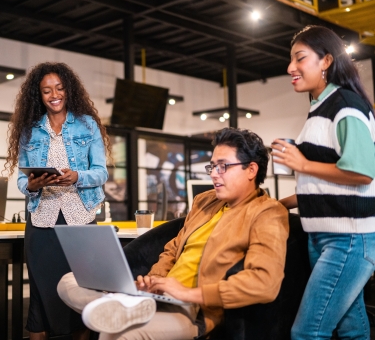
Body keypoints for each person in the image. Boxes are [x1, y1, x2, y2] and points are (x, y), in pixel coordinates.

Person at [57, 127, 289, 340]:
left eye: (223, 166)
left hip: (191, 309)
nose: (214, 174)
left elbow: (264, 283)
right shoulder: (205, 201)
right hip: (159, 296)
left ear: (251, 169)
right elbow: (172, 249)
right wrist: (154, 280)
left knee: (115, 334)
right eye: (212, 166)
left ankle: (120, 305)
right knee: (67, 281)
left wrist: (189, 293)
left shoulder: (267, 213)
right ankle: (125, 303)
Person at [272, 25, 375, 340]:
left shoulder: (346, 106)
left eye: (300, 58)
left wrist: (302, 163)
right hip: (325, 237)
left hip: (347, 241)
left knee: (307, 332)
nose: (291, 68)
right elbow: (322, 184)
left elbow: (361, 172)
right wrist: (279, 203)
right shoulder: (319, 108)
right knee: (351, 328)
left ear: (326, 60)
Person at [4, 62, 111, 340]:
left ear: (69, 90)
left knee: (82, 294)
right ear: (38, 95)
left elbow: (101, 172)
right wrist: (32, 185)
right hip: (41, 221)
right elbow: (21, 180)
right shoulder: (30, 130)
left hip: (81, 219)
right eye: (46, 90)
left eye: (59, 88)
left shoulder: (87, 124)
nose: (54, 95)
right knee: (41, 295)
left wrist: (77, 177)